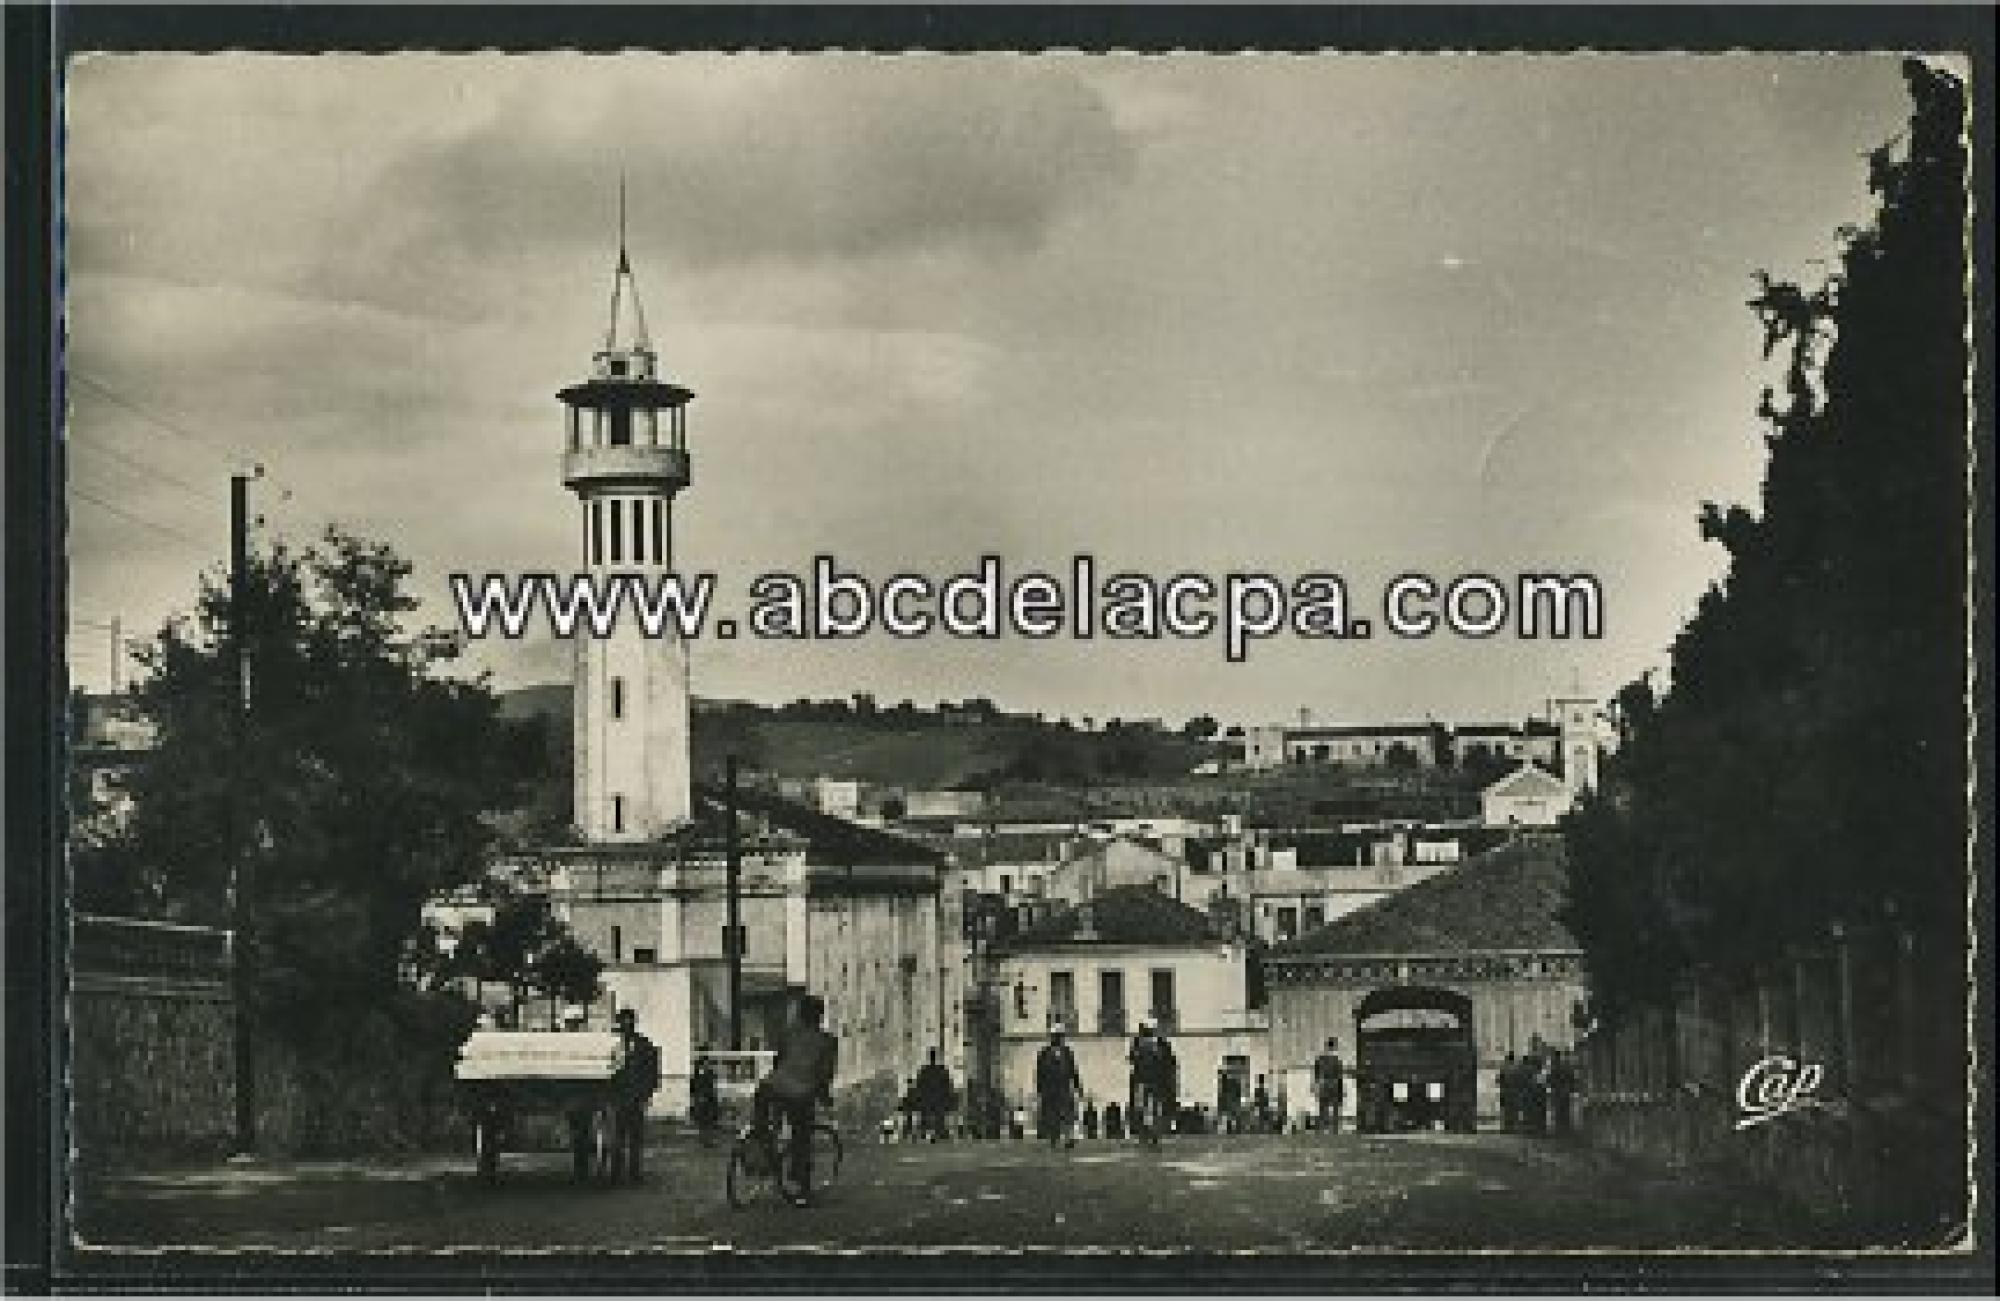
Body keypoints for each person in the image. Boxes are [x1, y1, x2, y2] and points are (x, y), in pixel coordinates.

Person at [752, 993, 839, 1205]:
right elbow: (824, 1074)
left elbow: (778, 1062)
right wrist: (825, 1097)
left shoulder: (788, 1034)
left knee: (763, 1122)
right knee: (802, 1138)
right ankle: (801, 1186)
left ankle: (763, 1145)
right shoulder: (827, 1041)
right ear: (820, 1016)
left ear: (800, 1014)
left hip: (770, 1087)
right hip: (801, 1093)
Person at [611, 1008, 662, 1182]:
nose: (626, 1024)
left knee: (635, 1137)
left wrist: (647, 1094)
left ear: (634, 1023)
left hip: (636, 1098)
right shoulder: (612, 1044)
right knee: (617, 1138)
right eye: (622, 1021)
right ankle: (615, 1173)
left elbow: (653, 1071)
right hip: (617, 1099)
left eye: (629, 1021)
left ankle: (634, 1173)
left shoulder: (644, 1045)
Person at [1035, 1028, 1083, 1149]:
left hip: (1064, 1087)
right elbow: (1039, 1072)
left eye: (1060, 1036)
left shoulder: (1067, 1052)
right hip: (1049, 1089)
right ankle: (1053, 1138)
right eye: (1056, 1037)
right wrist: (1040, 1089)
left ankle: (1068, 1137)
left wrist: (1077, 1086)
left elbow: (1073, 1071)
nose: (1058, 1039)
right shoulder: (1044, 1053)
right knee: (1052, 1115)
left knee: (1067, 1114)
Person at [1126, 1023, 1170, 1141]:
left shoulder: (1139, 1045)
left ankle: (1145, 1131)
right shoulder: (1156, 1046)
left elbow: (1132, 1060)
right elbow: (1162, 1063)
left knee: (1143, 1106)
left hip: (1142, 1080)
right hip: (1154, 1081)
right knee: (1154, 1107)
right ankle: (1154, 1131)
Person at [913, 1049, 956, 1142]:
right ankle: (940, 1132)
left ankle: (925, 1132)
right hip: (938, 1098)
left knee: (927, 1116)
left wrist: (919, 1097)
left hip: (928, 1097)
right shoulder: (941, 1070)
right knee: (939, 1116)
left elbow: (919, 1086)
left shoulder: (925, 1071)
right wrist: (949, 1097)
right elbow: (947, 1085)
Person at [1312, 1039, 1347, 1135]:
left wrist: (1316, 1087)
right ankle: (1335, 1129)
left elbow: (1316, 1076)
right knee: (1335, 1108)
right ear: (1334, 1047)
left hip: (1324, 1084)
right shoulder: (1337, 1060)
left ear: (1326, 1046)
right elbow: (1339, 1076)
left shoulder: (1320, 1059)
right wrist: (1342, 1090)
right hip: (1334, 1084)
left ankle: (1322, 1129)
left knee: (1323, 1108)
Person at [688, 1048, 721, 1145]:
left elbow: (712, 1087)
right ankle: (704, 1139)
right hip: (702, 1101)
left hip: (709, 1101)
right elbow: (693, 1088)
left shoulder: (710, 1074)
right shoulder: (698, 1075)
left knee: (709, 1122)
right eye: (706, 1063)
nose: (707, 1065)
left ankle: (708, 1139)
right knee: (703, 1123)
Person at [1546, 1049, 1577, 1136]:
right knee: (1565, 1111)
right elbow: (1572, 1079)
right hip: (1564, 1092)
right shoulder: (1565, 1067)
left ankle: (1559, 1130)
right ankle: (1565, 1129)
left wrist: (1551, 1087)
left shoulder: (1553, 1068)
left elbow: (1549, 1080)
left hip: (1557, 1093)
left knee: (1558, 1112)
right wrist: (1570, 1089)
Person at [1498, 1052, 1522, 1133]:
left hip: (1505, 1091)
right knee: (1514, 1109)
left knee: (1506, 1110)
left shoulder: (1503, 1068)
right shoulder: (1516, 1068)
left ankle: (1506, 1126)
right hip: (1514, 1092)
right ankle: (1513, 1126)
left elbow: (1499, 1080)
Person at [1217, 1067, 1243, 1135]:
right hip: (1230, 1104)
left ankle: (1235, 1131)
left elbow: (1237, 1092)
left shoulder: (1229, 1083)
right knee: (1231, 1118)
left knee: (1233, 1118)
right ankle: (1233, 1131)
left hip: (1232, 1103)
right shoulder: (1225, 1084)